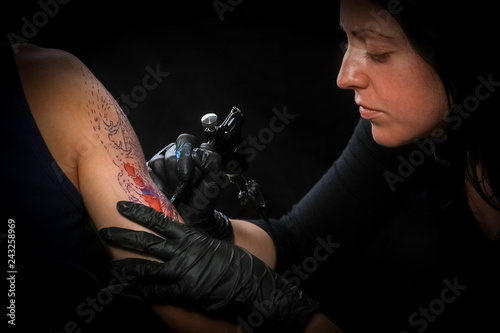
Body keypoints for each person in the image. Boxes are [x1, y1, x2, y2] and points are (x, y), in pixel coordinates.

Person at [100, 0, 500, 332]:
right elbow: (302, 244)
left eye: (377, 52)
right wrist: (215, 231)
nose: (345, 77)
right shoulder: (415, 122)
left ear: (460, 49)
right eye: (347, 41)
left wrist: (286, 313)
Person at [2, 42, 298, 332]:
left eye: (348, 37)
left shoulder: (52, 84)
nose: (342, 78)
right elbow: (301, 235)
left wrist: (282, 306)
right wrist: (225, 235)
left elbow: (186, 309)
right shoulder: (57, 86)